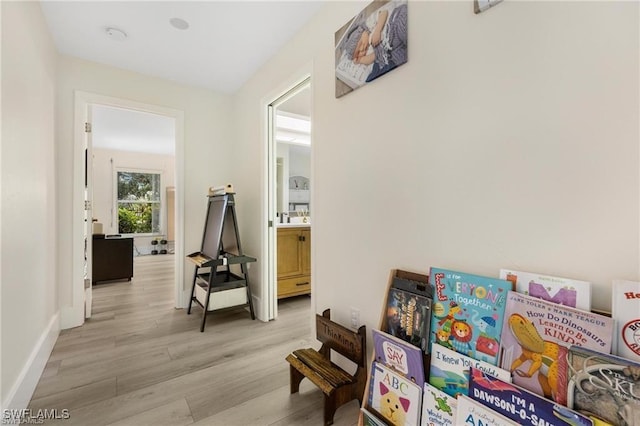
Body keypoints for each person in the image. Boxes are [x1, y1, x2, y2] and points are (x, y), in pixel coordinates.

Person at [342, 2, 408, 82]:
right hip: (392, 48)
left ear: (362, 33)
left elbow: (384, 13)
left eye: (361, 44)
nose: (362, 49)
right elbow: (373, 57)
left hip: (393, 26)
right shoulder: (369, 50)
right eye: (359, 53)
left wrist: (378, 30)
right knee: (397, 60)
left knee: (402, 25)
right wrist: (360, 60)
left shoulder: (369, 24)